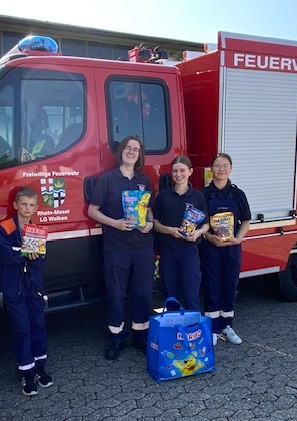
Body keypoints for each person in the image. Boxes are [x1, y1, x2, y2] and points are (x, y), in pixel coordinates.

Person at [87, 135, 154, 360]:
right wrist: (115, 223)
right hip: (116, 247)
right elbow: (92, 210)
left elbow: (149, 209)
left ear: (140, 155)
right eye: (128, 147)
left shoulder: (145, 179)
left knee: (143, 291)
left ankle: (140, 336)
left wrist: (150, 223)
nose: (132, 151)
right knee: (116, 293)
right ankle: (116, 338)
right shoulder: (107, 179)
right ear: (121, 152)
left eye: (136, 149)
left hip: (142, 246)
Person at [0, 187, 53, 396]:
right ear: (15, 205)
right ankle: (26, 373)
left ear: (36, 208)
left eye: (31, 205)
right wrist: (26, 253)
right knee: (22, 328)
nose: (27, 209)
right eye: (24, 204)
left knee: (38, 325)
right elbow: (5, 255)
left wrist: (34, 257)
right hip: (14, 288)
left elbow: (42, 259)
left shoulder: (38, 230)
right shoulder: (5, 227)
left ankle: (40, 368)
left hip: (34, 287)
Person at [200, 153, 251, 346]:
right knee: (211, 286)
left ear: (230, 168)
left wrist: (238, 239)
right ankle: (213, 328)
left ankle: (227, 326)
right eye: (217, 165)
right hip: (210, 247)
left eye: (225, 165)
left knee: (229, 285)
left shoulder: (238, 194)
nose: (221, 169)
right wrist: (207, 236)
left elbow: (246, 220)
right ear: (211, 169)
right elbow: (199, 221)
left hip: (232, 248)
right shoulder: (203, 194)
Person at [153, 156, 209, 311]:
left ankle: (192, 331)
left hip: (189, 251)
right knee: (170, 295)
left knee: (191, 294)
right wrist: (170, 230)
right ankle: (174, 331)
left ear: (190, 172)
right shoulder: (163, 196)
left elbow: (206, 224)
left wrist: (198, 233)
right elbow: (155, 224)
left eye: (182, 170)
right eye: (175, 171)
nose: (178, 174)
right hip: (167, 251)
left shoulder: (198, 197)